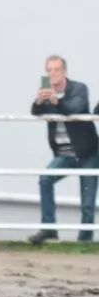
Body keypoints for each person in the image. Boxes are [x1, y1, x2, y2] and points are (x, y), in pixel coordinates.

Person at [30, 55, 98, 244]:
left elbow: (75, 109)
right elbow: (35, 112)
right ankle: (49, 229)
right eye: (49, 70)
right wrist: (39, 100)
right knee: (45, 180)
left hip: (87, 153)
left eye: (56, 70)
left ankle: (84, 242)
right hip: (63, 154)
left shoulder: (79, 88)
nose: (52, 74)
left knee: (87, 201)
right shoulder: (47, 91)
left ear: (64, 72)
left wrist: (56, 101)